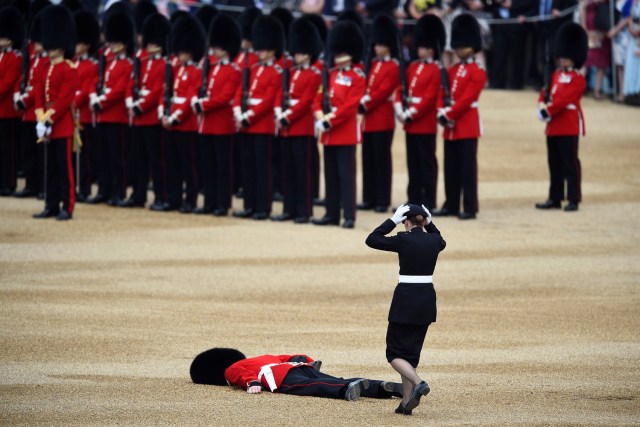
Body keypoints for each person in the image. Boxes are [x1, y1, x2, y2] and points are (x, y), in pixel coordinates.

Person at [365, 204, 446, 415]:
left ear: (406, 220)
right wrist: (429, 222)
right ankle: (406, 403)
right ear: (424, 220)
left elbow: (372, 239)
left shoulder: (403, 238)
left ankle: (418, 382)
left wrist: (391, 220)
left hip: (406, 299)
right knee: (409, 355)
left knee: (394, 353)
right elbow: (440, 238)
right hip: (427, 299)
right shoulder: (434, 240)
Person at [190, 347, 404, 401]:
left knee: (313, 387)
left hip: (281, 378)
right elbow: (286, 356)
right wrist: (307, 360)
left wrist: (252, 382)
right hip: (298, 367)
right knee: (331, 378)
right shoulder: (262, 356)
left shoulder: (232, 368)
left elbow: (237, 374)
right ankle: (381, 387)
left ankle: (345, 390)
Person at [311, 20, 366, 229]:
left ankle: (349, 215)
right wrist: (319, 116)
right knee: (331, 174)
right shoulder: (331, 75)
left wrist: (328, 120)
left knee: (346, 176)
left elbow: (350, 107)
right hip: (328, 132)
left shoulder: (357, 76)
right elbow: (318, 98)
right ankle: (331, 213)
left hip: (344, 132)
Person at [432, 13, 486, 220]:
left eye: (462, 45)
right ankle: (451, 203)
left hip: (466, 124)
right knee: (451, 167)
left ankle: (470, 207)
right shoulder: (452, 69)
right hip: (450, 125)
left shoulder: (477, 71)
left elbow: (467, 99)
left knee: (467, 168)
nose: (459, 49)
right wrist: (441, 111)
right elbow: (442, 93)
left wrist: (449, 113)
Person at [232, 15, 284, 221]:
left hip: (261, 126)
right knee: (248, 167)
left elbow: (269, 100)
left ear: (272, 49)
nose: (259, 51)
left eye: (263, 48)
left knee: (263, 169)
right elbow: (240, 92)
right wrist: (238, 113)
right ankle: (249, 205)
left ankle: (263, 207)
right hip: (245, 124)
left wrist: (248, 117)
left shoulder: (277, 71)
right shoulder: (252, 69)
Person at [272, 17, 323, 224]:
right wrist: (278, 112)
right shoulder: (291, 72)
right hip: (286, 127)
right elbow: (280, 94)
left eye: (301, 52)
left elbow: (306, 101)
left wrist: (286, 116)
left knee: (303, 172)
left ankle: (304, 210)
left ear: (309, 53)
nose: (297, 55)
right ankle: (289, 208)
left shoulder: (314, 74)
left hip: (301, 128)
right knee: (288, 170)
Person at [192, 13, 242, 217]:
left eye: (220, 46)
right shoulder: (209, 66)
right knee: (208, 166)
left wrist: (202, 104)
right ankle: (210, 202)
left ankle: (223, 203)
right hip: (205, 124)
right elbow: (199, 85)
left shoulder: (234, 70)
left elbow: (225, 97)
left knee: (223, 167)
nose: (216, 49)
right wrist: (196, 99)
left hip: (222, 125)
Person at [32, 5, 79, 220]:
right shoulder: (44, 67)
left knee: (64, 168)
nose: (51, 49)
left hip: (62, 124)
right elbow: (37, 93)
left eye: (54, 46)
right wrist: (40, 117)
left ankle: (67, 206)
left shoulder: (69, 69)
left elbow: (64, 98)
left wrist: (49, 118)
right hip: (46, 122)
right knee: (49, 167)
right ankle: (50, 204)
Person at [535, 22, 588, 212]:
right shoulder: (555, 74)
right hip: (553, 125)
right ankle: (555, 197)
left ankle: (573, 198)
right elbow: (546, 92)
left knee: (570, 164)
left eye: (566, 56)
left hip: (568, 125)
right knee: (554, 163)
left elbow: (565, 100)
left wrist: (547, 110)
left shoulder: (578, 78)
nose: (563, 59)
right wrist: (542, 104)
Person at [395, 14, 445, 211]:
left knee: (427, 165)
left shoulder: (436, 69)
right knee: (413, 165)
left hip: (424, 123)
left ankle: (429, 201)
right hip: (410, 122)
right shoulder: (413, 67)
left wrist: (411, 113)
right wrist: (400, 108)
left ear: (431, 49)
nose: (419, 49)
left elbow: (429, 98)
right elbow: (402, 89)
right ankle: (413, 199)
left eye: (423, 47)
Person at [121, 13, 171, 209]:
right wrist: (130, 102)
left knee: (156, 161)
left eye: (153, 42)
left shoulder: (164, 64)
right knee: (137, 159)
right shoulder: (142, 61)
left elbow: (159, 89)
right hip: (138, 118)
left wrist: (140, 105)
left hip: (151, 119)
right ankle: (138, 194)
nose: (149, 46)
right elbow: (131, 83)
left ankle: (161, 196)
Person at [88, 11, 134, 207]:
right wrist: (93, 95)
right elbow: (95, 80)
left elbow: (121, 89)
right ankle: (104, 190)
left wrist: (102, 100)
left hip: (116, 116)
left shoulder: (127, 63)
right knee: (102, 156)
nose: (112, 45)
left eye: (117, 42)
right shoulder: (107, 60)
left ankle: (118, 191)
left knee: (117, 157)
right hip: (101, 114)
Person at [161, 14, 205, 214]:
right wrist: (163, 112)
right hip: (170, 119)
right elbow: (166, 91)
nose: (181, 54)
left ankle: (191, 199)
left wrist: (175, 117)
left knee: (189, 165)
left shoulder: (196, 71)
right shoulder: (175, 69)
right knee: (172, 163)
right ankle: (173, 198)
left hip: (185, 124)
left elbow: (190, 98)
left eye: (184, 51)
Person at [358, 14, 400, 214]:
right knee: (368, 159)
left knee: (382, 161)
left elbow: (382, 92)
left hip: (382, 120)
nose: (376, 48)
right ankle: (369, 197)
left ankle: (382, 199)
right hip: (368, 120)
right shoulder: (373, 64)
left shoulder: (394, 66)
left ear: (388, 45)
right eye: (375, 45)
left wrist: (365, 102)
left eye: (380, 45)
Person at [72, 10, 100, 203]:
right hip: (70, 116)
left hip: (83, 116)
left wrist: (71, 101)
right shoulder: (71, 63)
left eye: (79, 43)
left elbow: (86, 89)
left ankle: (85, 188)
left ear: (87, 45)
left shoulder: (91, 65)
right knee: (73, 155)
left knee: (86, 156)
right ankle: (75, 187)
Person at [0, 7, 25, 197]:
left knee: (8, 150)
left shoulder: (15, 57)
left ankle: (9, 183)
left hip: (7, 110)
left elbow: (8, 84)